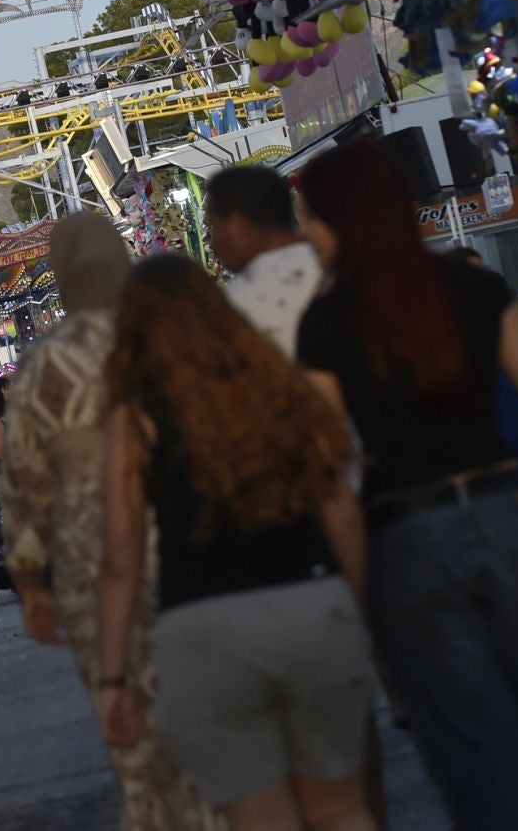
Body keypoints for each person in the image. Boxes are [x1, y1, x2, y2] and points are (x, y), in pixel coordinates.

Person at [295, 140, 518, 831]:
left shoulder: (324, 326)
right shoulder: (476, 290)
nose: (308, 234)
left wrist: (352, 586)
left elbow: (329, 474)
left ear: (343, 220)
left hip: (408, 538)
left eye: (312, 217)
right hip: (510, 513)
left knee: (474, 746)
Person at [98, 254, 374, 830]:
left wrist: (112, 677)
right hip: (309, 600)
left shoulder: (134, 417)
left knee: (261, 821)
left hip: (200, 626)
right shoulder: (278, 382)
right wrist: (357, 600)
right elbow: (339, 507)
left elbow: (122, 555)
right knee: (342, 808)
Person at [3, 214, 214, 829]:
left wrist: (30, 581)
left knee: (130, 726)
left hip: (93, 562)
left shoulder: (46, 364)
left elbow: (27, 483)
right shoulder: (175, 337)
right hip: (195, 542)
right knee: (211, 715)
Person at [205, 162, 326, 357]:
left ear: (239, 226)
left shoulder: (237, 307)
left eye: (215, 228)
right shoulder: (333, 264)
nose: (213, 243)